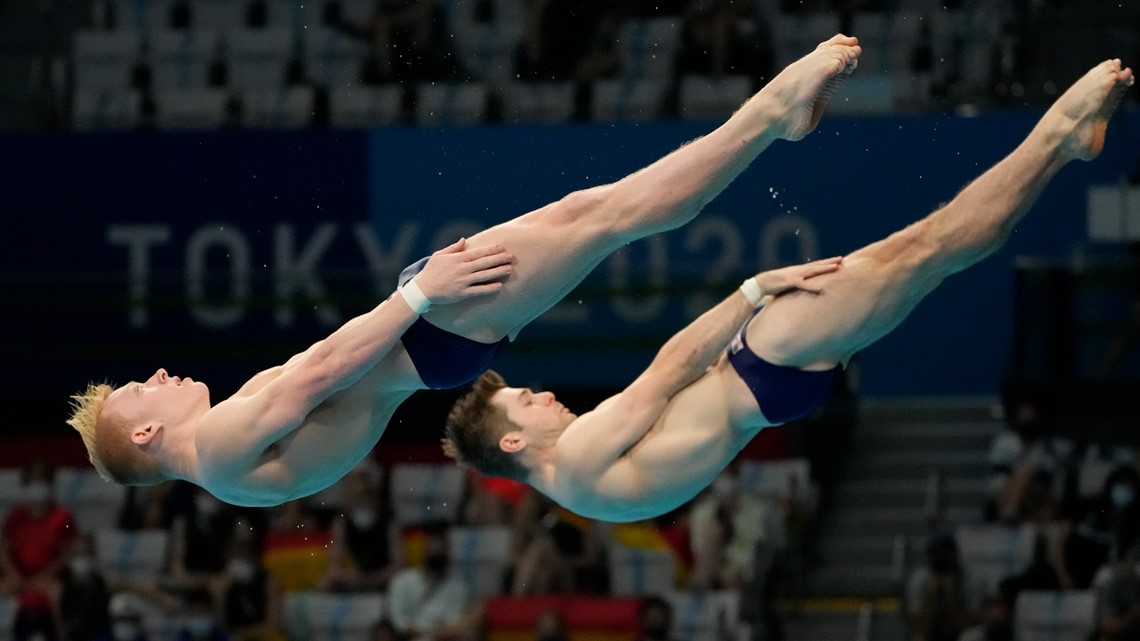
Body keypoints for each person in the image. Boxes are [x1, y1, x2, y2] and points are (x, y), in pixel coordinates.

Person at [67, 35, 865, 506]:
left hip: (430, 341)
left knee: (606, 212)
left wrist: (417, 303)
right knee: (614, 213)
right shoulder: (220, 443)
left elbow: (331, 386)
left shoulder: (225, 467)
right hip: (432, 325)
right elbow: (316, 371)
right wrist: (419, 293)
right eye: (148, 384)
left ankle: (773, 117)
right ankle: (773, 113)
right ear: (145, 431)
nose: (164, 370)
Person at [442, 59, 1136, 522]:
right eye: (525, 403)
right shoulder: (582, 453)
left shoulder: (581, 489)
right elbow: (669, 367)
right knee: (930, 246)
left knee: (932, 253)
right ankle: (1059, 135)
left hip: (766, 385)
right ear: (511, 443)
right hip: (764, 359)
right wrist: (751, 290)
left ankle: (1064, 143)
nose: (541, 395)